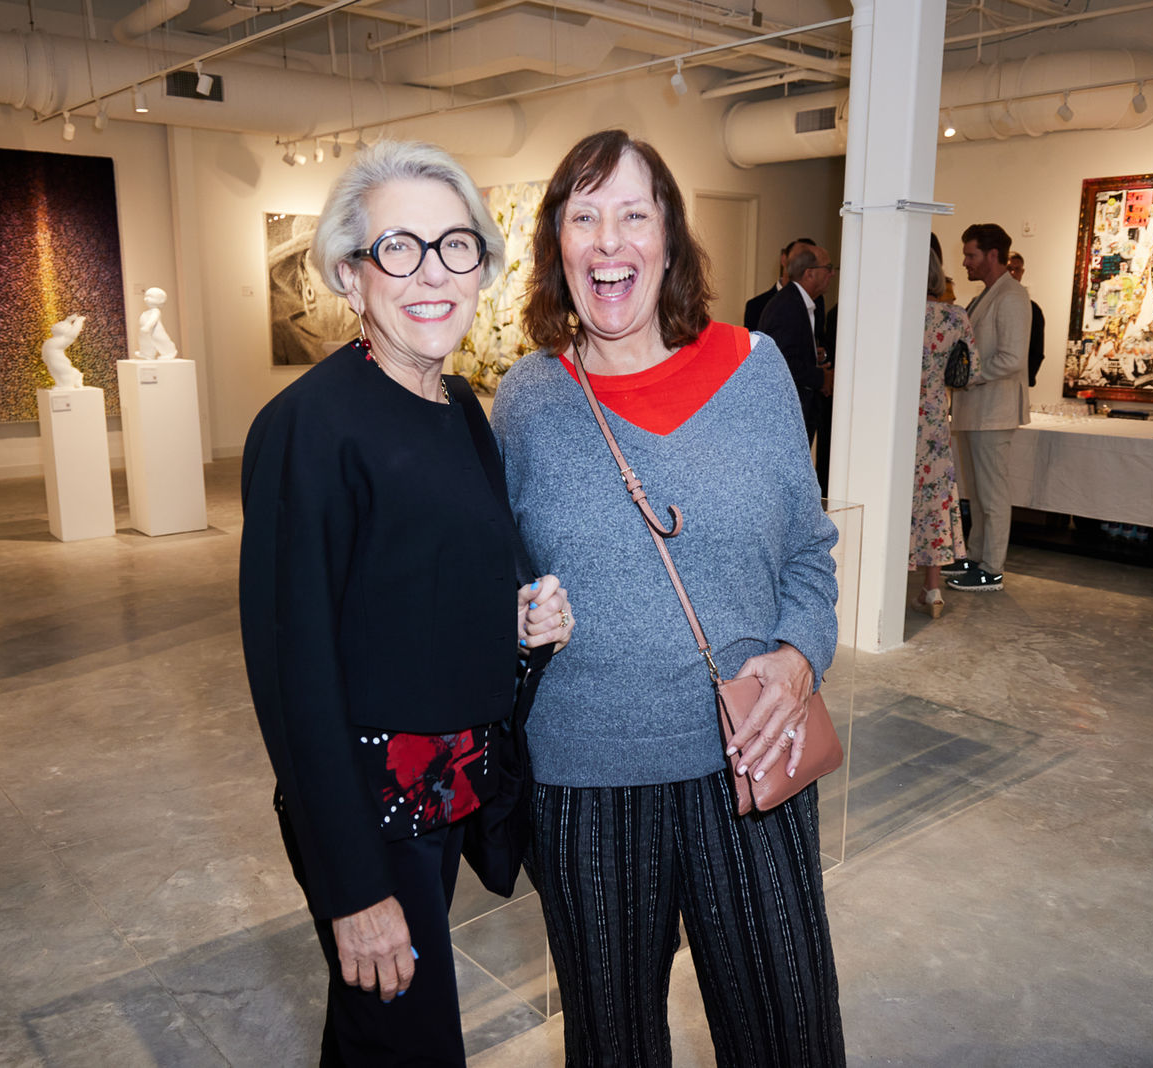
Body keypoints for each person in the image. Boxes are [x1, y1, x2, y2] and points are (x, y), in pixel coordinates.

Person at [493, 129, 845, 1067]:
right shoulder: (527, 401)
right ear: (558, 248)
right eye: (584, 217)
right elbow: (494, 581)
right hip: (586, 779)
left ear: (669, 238)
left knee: (788, 1034)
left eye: (633, 215)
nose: (609, 242)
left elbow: (811, 555)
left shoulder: (753, 370)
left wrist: (800, 654)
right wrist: (517, 620)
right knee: (614, 1046)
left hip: (748, 759)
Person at [238, 140, 575, 1067]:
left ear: (484, 267)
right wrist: (352, 889)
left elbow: (426, 592)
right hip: (368, 814)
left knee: (380, 1038)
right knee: (410, 1043)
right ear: (352, 275)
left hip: (446, 795)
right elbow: (293, 675)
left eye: (455, 246)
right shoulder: (306, 431)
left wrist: (519, 626)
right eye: (399, 249)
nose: (432, 275)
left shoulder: (461, 406)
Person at [946, 222, 1030, 593]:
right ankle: (977, 555)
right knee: (977, 492)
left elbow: (1012, 358)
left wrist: (970, 376)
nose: (965, 262)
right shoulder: (985, 295)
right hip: (975, 409)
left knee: (993, 492)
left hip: (993, 410)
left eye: (971, 255)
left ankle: (992, 567)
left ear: (993, 255)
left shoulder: (1012, 296)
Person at [910, 249, 971, 618]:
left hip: (898, 419)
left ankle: (884, 577)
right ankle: (933, 590)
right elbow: (970, 369)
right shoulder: (955, 316)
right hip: (933, 419)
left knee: (898, 496)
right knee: (933, 500)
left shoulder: (900, 316)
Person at [758, 242, 834, 450]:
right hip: (786, 416)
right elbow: (782, 363)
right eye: (828, 268)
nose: (832, 274)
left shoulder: (807, 304)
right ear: (809, 274)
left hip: (799, 412)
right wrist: (822, 378)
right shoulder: (787, 307)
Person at [743, 236, 815, 329]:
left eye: (810, 261)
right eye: (799, 259)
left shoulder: (817, 302)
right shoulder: (756, 306)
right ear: (784, 259)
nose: (803, 266)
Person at [1006, 251, 1047, 388]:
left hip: (1018, 381)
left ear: (1022, 272)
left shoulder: (1032, 309)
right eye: (1008, 269)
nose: (1012, 273)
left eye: (1016, 269)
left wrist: (1025, 379)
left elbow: (1037, 349)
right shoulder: (987, 302)